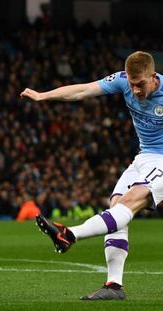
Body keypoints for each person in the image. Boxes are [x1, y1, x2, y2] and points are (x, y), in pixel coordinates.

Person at [20, 51, 163, 300]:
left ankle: (70, 234)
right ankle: (113, 287)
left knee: (130, 201)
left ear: (153, 77)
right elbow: (83, 90)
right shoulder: (122, 80)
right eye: (132, 84)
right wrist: (44, 96)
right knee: (117, 205)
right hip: (143, 157)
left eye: (140, 84)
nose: (136, 91)